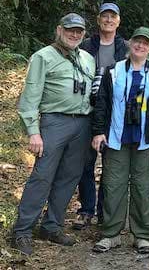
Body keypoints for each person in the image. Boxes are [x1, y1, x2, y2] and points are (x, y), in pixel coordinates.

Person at [12, 14, 95, 255]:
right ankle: (22, 231)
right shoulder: (43, 56)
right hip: (54, 122)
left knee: (69, 178)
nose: (74, 34)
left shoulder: (88, 59)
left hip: (82, 124)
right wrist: (33, 132)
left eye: (79, 31)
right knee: (42, 177)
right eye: (70, 30)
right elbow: (30, 96)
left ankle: (51, 226)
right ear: (59, 30)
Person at [91, 27, 149, 253]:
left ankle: (143, 235)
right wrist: (99, 131)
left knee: (144, 187)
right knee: (113, 185)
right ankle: (110, 234)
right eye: (137, 41)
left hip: (145, 140)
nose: (140, 46)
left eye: (145, 43)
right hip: (116, 138)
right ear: (130, 43)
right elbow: (102, 103)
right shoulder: (113, 71)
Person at [73, 2, 128, 230]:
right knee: (85, 163)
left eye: (112, 17)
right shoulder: (86, 45)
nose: (108, 20)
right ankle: (86, 209)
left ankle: (105, 211)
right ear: (98, 20)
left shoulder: (125, 47)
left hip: (114, 113)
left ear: (118, 21)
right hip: (86, 110)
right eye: (104, 16)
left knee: (111, 164)